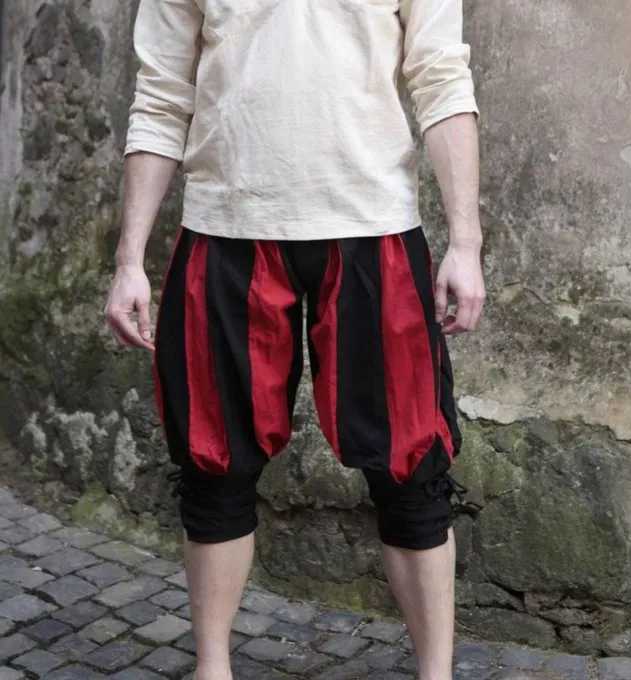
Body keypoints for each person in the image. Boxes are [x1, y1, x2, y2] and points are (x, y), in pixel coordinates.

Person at [105, 0, 485, 677]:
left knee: (411, 467)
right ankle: (212, 669)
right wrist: (129, 258)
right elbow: (161, 94)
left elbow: (441, 79)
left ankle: (437, 675)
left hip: (372, 228)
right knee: (214, 464)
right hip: (227, 228)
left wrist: (466, 242)